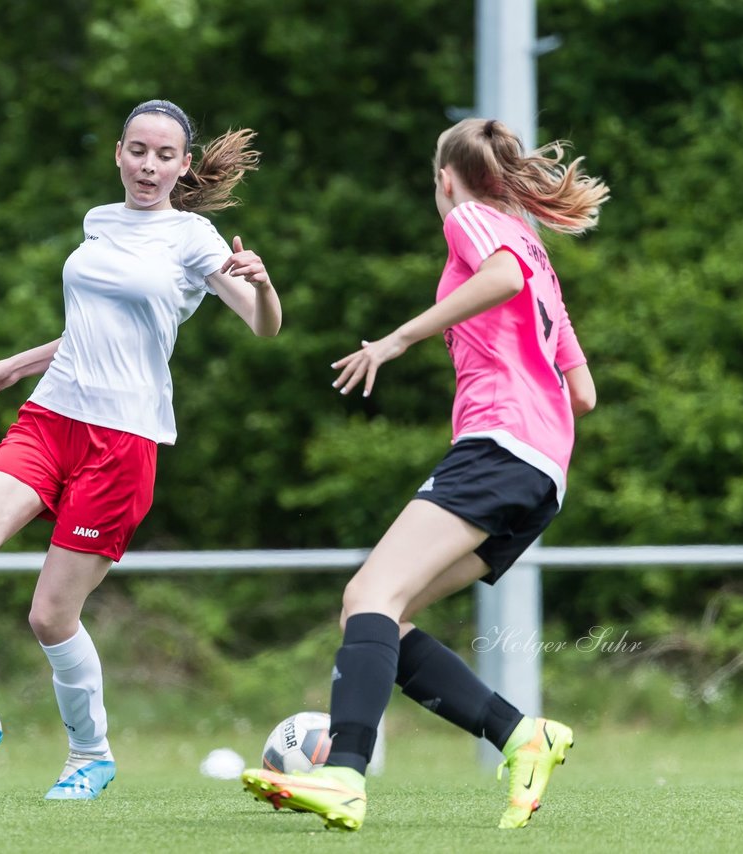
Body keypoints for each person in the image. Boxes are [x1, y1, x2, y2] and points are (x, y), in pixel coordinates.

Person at [0, 99, 282, 799]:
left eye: (165, 155)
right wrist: (17, 365)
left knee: (49, 616)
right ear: (119, 152)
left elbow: (263, 326)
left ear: (183, 165)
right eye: (138, 150)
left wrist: (263, 283)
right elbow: (87, 328)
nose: (149, 165)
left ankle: (89, 754)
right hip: (50, 416)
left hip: (124, 439)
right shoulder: (98, 222)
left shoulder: (195, 239)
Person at [242, 117, 608, 831]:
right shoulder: (542, 258)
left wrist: (399, 339)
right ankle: (522, 736)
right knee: (382, 612)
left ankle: (345, 775)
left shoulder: (474, 218)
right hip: (542, 471)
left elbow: (498, 277)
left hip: (499, 445)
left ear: (446, 177)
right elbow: (584, 393)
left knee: (369, 592)